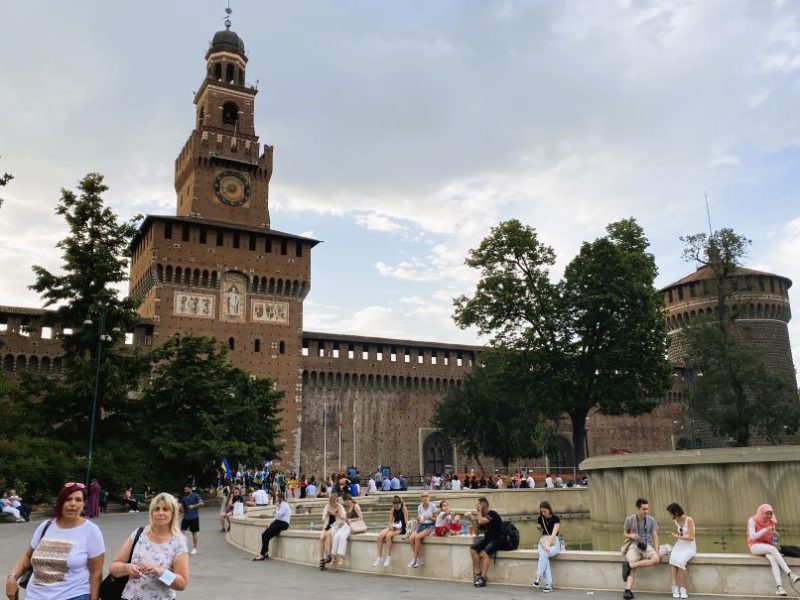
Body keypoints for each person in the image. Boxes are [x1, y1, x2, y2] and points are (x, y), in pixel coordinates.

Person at [6, 482, 104, 600]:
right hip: (34, 596)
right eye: (68, 499)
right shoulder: (45, 526)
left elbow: (96, 573)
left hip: (73, 596)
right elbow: (28, 556)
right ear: (60, 502)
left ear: (84, 504)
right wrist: (11, 578)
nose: (73, 504)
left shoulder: (91, 531)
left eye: (78, 500)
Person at [109, 492, 189, 600]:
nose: (160, 513)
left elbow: (182, 583)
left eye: (165, 509)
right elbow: (113, 567)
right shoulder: (139, 534)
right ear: (151, 513)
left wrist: (160, 572)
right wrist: (127, 568)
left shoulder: (178, 542)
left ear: (173, 513)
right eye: (156, 509)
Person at [747, 503, 800, 596]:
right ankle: (790, 573)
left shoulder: (772, 522)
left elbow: (774, 543)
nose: (769, 515)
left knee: (773, 559)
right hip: (755, 546)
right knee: (772, 549)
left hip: (767, 547)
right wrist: (765, 530)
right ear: (761, 512)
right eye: (766, 513)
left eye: (770, 513)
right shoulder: (752, 520)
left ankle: (779, 588)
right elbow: (752, 537)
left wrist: (775, 537)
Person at [622, 498, 660, 600]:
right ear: (638, 509)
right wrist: (631, 535)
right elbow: (624, 533)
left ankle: (631, 565)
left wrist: (656, 550)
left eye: (647, 509)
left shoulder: (651, 520)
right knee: (632, 570)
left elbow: (655, 535)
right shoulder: (630, 519)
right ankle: (628, 590)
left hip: (646, 545)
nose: (646, 511)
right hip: (634, 545)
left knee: (656, 559)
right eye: (644, 509)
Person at [468, 497, 502, 588]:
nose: (477, 509)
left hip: (496, 540)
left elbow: (481, 521)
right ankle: (478, 574)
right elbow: (477, 532)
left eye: (479, 506)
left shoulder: (492, 514)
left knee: (485, 552)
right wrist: (471, 520)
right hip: (487, 539)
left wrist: (479, 511)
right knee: (473, 549)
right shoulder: (482, 516)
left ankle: (483, 577)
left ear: (484, 506)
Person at [667, 502, 696, 599]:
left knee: (680, 562)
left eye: (671, 513)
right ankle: (674, 587)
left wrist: (678, 536)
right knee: (673, 560)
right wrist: (676, 536)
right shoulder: (676, 521)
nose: (670, 515)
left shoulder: (689, 520)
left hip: (689, 546)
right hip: (679, 545)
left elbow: (691, 537)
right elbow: (680, 533)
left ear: (675, 512)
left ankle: (683, 589)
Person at [533, 501, 563, 593]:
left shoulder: (556, 519)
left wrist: (547, 545)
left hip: (554, 542)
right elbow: (542, 530)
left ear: (549, 510)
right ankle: (548, 585)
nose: (543, 513)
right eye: (542, 511)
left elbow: (553, 534)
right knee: (544, 555)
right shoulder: (540, 518)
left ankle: (538, 577)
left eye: (545, 511)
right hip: (543, 541)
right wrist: (539, 528)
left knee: (544, 554)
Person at [252, 492, 291, 561]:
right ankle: (266, 552)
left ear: (280, 499)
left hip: (283, 524)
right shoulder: (280, 505)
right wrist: (271, 522)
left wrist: (276, 508)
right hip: (278, 522)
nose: (275, 499)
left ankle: (262, 555)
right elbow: (276, 517)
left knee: (267, 536)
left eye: (276, 498)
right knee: (263, 534)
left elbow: (279, 514)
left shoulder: (284, 505)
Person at [374, 495, 409, 567]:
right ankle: (379, 557)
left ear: (400, 503)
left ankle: (388, 557)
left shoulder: (404, 508)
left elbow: (406, 520)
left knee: (388, 536)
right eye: (395, 505)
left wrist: (404, 528)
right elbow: (390, 520)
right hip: (394, 525)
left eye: (397, 505)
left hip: (402, 527)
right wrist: (390, 525)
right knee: (380, 536)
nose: (396, 507)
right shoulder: (393, 509)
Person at [330, 493, 363, 566]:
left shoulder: (356, 506)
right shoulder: (348, 507)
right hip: (346, 525)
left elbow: (361, 518)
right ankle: (333, 557)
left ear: (348, 500)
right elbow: (347, 518)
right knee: (336, 537)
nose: (344, 503)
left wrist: (351, 520)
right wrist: (340, 516)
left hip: (353, 526)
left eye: (344, 501)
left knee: (342, 537)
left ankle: (341, 558)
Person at [407, 491, 438, 568]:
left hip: (431, 526)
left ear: (429, 497)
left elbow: (436, 519)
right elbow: (419, 519)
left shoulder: (433, 506)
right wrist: (417, 519)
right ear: (421, 498)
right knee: (411, 538)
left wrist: (429, 517)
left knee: (417, 537)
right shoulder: (419, 507)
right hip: (422, 525)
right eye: (423, 496)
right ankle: (418, 559)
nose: (424, 498)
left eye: (426, 496)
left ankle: (414, 558)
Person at [319, 494, 345, 570]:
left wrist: (338, 514)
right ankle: (321, 559)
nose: (335, 502)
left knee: (327, 535)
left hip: (335, 525)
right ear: (331, 501)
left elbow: (344, 517)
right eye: (334, 501)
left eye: (337, 501)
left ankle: (328, 555)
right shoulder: (327, 506)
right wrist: (326, 514)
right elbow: (323, 518)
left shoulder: (340, 507)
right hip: (327, 525)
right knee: (321, 538)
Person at [179, 485, 204, 555]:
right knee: (181, 533)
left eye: (187, 489)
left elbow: (202, 504)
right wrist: (181, 512)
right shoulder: (184, 497)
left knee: (194, 533)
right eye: (185, 490)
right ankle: (182, 548)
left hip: (194, 517)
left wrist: (193, 506)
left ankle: (195, 548)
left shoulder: (196, 496)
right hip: (186, 518)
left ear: (190, 489)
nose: (185, 491)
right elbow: (182, 507)